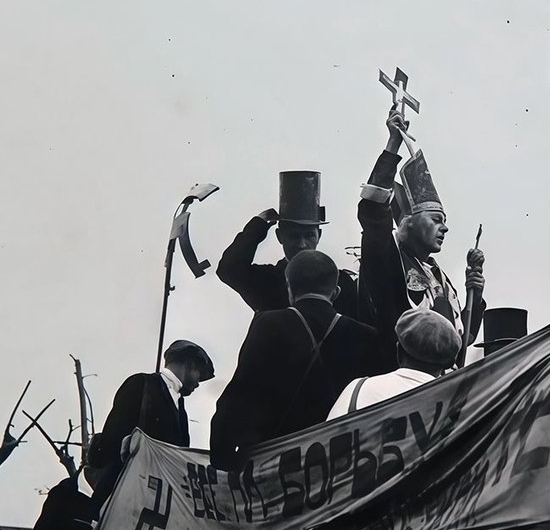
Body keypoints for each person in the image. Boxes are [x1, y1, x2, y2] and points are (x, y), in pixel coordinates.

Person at [210, 251, 384, 470]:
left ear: (289, 289)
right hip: (339, 465)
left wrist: (223, 462)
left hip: (275, 463)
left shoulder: (268, 324)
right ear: (336, 292)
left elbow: (239, 397)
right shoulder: (366, 335)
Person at [357, 107, 484, 370]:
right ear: (408, 223)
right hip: (400, 384)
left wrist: (475, 293)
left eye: (445, 221)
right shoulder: (389, 260)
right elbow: (372, 213)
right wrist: (393, 145)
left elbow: (462, 340)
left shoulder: (439, 276)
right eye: (436, 220)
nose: (445, 229)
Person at [87, 339, 215, 508]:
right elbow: (112, 438)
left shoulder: (182, 412)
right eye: (199, 373)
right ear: (190, 364)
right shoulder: (141, 383)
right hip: (120, 495)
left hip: (155, 503)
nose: (198, 383)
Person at [217, 170, 359, 317]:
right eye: (294, 236)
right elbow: (229, 269)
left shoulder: (342, 281)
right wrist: (257, 226)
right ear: (279, 237)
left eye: (309, 235)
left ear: (319, 236)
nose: (302, 244)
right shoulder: (267, 281)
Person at [327, 307, 462, 419]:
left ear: (398, 349)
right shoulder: (457, 407)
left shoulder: (358, 389)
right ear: (448, 363)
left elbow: (327, 442)